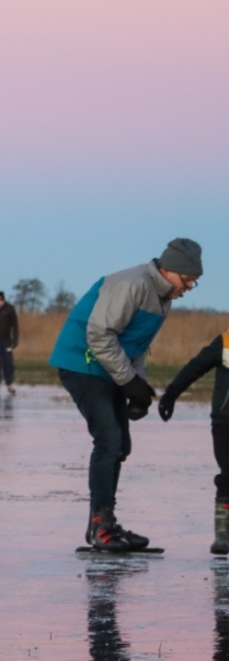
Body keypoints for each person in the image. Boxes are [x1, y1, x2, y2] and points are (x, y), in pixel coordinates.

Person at [49, 238, 202, 551]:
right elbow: (99, 334)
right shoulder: (131, 283)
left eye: (192, 284)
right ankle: (99, 528)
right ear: (171, 270)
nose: (187, 288)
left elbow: (136, 345)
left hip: (107, 366)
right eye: (187, 281)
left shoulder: (163, 298)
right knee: (109, 439)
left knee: (121, 443)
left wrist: (138, 387)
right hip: (82, 362)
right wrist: (128, 381)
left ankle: (107, 523)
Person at [156, 319, 229, 555]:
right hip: (225, 421)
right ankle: (223, 535)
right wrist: (170, 395)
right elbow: (195, 367)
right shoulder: (227, 341)